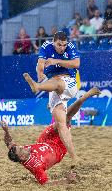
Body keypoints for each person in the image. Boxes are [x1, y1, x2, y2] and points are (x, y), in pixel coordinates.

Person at [1, 87, 100, 185]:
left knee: (62, 120)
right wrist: (67, 181)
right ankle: (81, 98)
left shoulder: (18, 153)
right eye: (21, 149)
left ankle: (57, 108)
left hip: (45, 140)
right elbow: (46, 183)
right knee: (66, 118)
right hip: (58, 150)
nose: (23, 146)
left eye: (20, 147)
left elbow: (8, 142)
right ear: (22, 157)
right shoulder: (36, 167)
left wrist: (6, 131)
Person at [23, 31, 80, 164]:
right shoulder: (46, 46)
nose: (62, 47)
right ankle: (74, 158)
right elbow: (41, 63)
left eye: (64, 45)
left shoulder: (70, 47)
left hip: (69, 83)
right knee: (61, 124)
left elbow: (76, 64)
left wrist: (56, 61)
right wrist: (40, 73)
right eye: (59, 45)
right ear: (53, 41)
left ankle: (37, 87)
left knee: (57, 82)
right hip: (53, 88)